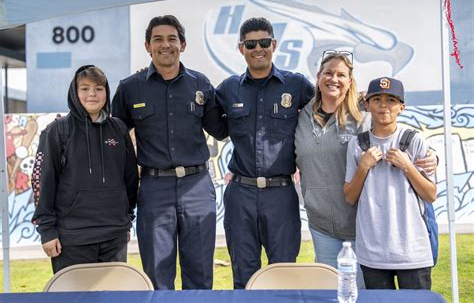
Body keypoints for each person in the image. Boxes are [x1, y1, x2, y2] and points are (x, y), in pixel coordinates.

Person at [294, 52, 437, 288]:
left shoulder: (363, 111)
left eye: (341, 74)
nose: (334, 79)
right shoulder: (301, 115)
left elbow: (391, 129)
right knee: (333, 292)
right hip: (321, 225)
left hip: (363, 227)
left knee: (362, 294)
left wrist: (432, 158)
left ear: (350, 81)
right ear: (318, 77)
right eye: (328, 73)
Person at [112, 15, 226, 290]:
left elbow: (222, 129)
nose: (166, 45)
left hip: (197, 187)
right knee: (156, 276)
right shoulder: (130, 88)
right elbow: (111, 137)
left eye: (172, 39)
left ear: (183, 45)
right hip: (154, 188)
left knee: (200, 275)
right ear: (147, 46)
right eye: (158, 39)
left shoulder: (201, 85)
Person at [216, 17, 314, 289]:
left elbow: (327, 115)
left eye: (263, 42)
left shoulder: (296, 85)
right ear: (241, 48)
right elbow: (199, 118)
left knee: (283, 274)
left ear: (274, 44)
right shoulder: (226, 89)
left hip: (280, 195)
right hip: (240, 194)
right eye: (250, 44)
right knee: (244, 276)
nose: (257, 48)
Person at [31, 65, 138, 273]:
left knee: (112, 297)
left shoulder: (119, 129)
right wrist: (47, 231)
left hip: (113, 235)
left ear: (106, 92)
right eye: (85, 88)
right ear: (75, 92)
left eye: (99, 88)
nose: (92, 94)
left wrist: (126, 220)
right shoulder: (58, 130)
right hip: (72, 237)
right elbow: (42, 181)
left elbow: (130, 179)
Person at [344, 77, 436, 289]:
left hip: (412, 251)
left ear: (401, 107)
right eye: (376, 99)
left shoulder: (414, 140)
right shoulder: (357, 144)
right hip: (373, 252)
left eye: (391, 100)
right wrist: (363, 167)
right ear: (367, 105)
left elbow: (430, 194)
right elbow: (349, 197)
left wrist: (407, 166)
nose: (383, 105)